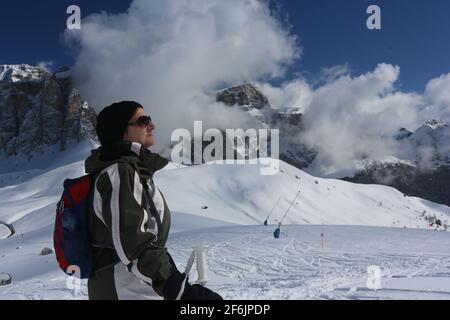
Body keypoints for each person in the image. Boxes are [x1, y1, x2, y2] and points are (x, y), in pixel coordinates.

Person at [85, 101, 222, 300]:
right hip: (123, 289)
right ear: (122, 132)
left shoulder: (132, 171)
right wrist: (181, 291)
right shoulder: (120, 173)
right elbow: (135, 245)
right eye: (143, 120)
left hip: (136, 286)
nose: (152, 125)